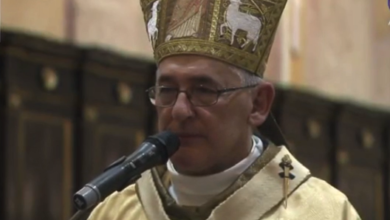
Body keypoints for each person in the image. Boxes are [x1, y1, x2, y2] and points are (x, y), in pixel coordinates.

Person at [87, 0, 361, 219]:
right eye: (167, 91)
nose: (180, 111)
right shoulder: (115, 212)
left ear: (258, 104)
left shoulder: (322, 213)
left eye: (204, 90)